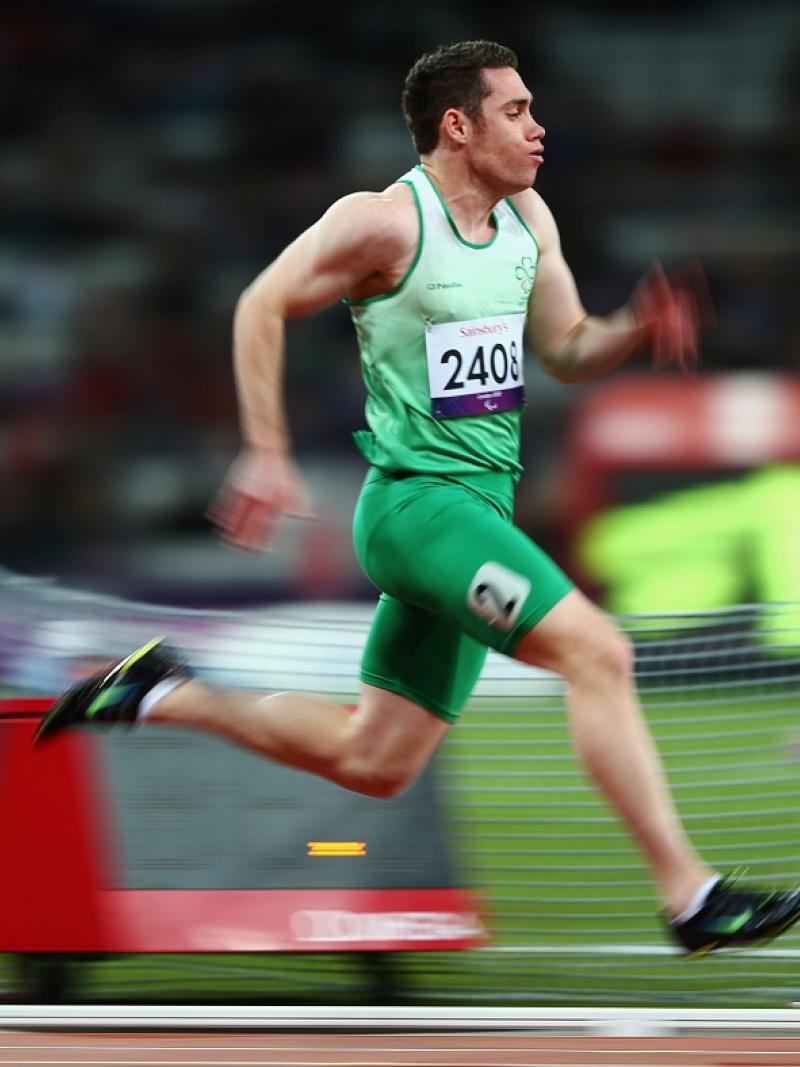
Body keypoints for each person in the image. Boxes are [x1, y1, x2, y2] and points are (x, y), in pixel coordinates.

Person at [37, 40, 800, 957]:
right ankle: (689, 895)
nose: (538, 124)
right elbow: (259, 304)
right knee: (598, 650)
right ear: (458, 126)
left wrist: (633, 328)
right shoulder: (384, 223)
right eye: (516, 109)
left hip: (477, 512)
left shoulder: (528, 217)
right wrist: (267, 454)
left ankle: (160, 695)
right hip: (417, 511)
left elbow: (563, 346)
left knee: (376, 760)